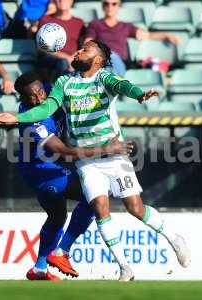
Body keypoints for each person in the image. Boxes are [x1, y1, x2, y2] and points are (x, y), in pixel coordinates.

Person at [0, 40, 191, 281]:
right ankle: (123, 267)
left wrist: (138, 93)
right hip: (77, 162)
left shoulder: (104, 78)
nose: (80, 50)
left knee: (134, 208)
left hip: (114, 155)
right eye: (81, 47)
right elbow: (48, 113)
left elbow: (121, 84)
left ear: (99, 59)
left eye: (87, 48)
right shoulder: (64, 83)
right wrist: (17, 118)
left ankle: (174, 238)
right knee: (98, 207)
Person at [7, 71, 133, 280]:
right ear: (23, 98)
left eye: (40, 92)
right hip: (44, 172)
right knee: (93, 199)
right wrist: (107, 148)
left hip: (39, 169)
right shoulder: (34, 123)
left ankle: (39, 268)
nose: (39, 98)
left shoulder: (49, 92)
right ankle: (61, 252)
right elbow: (64, 151)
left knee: (57, 217)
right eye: (32, 96)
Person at [85, 0, 180, 76]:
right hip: (101, 62)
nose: (110, 7)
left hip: (119, 63)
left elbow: (146, 35)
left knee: (112, 56)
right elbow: (88, 42)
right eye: (106, 3)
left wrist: (165, 36)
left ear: (119, 6)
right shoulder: (95, 24)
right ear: (102, 6)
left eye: (114, 4)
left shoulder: (125, 26)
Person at [37, 0, 85, 82]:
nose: (62, 0)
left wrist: (73, 58)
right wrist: (67, 58)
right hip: (51, 60)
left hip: (73, 59)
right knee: (62, 63)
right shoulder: (45, 20)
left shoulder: (79, 23)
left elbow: (83, 47)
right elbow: (41, 47)